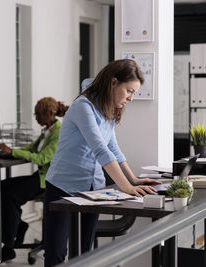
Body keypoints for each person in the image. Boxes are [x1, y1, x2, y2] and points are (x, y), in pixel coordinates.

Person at [43, 59, 161, 266]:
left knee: (85, 253)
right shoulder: (83, 106)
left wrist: (132, 179)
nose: (131, 98)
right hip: (62, 186)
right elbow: (100, 149)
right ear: (114, 83)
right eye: (129, 91)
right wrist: (125, 187)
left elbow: (112, 146)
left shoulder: (108, 108)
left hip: (91, 189)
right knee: (56, 253)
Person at [0, 97, 69, 263]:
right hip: (40, 177)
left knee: (11, 195)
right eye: (35, 114)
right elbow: (31, 148)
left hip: (49, 182)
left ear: (50, 114)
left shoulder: (58, 132)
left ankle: (8, 246)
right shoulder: (48, 130)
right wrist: (10, 151)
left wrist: (13, 152)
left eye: (39, 114)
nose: (36, 117)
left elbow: (41, 158)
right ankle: (19, 226)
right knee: (2, 186)